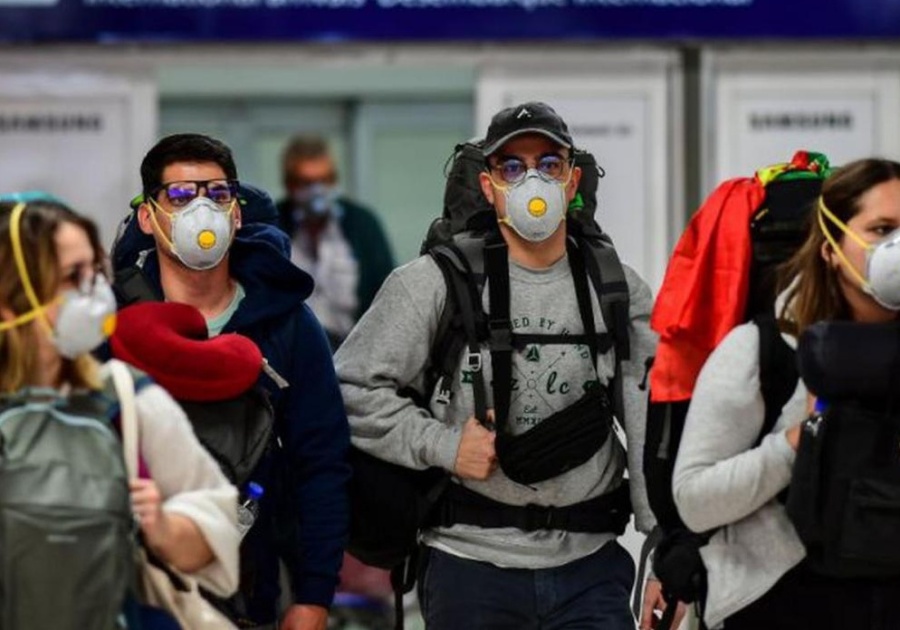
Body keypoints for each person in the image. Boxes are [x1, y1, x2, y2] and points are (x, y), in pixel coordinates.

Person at [335, 102, 671, 629]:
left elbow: (649, 414)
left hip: (591, 568)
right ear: (488, 185)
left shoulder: (616, 288)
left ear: (572, 180)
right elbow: (350, 389)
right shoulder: (431, 283)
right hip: (468, 566)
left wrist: (663, 545)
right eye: (512, 167)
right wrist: (443, 445)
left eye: (549, 164)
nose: (532, 180)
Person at [112, 133, 351, 630]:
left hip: (256, 587)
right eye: (181, 195)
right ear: (148, 217)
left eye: (218, 194)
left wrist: (314, 595)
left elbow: (322, 463)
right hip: (134, 586)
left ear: (237, 214)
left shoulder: (287, 324)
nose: (202, 209)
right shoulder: (117, 321)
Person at [672, 158, 900, 630]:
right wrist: (799, 441)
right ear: (831, 247)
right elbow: (694, 500)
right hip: (780, 600)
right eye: (882, 229)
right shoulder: (763, 351)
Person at [0, 197, 240, 621]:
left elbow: (214, 535)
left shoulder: (127, 401)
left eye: (95, 271)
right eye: (73, 277)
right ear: (11, 299)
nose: (95, 291)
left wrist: (163, 527)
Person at [277, 135, 395, 349]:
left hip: (354, 350)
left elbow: (387, 291)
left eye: (326, 180)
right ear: (290, 185)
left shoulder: (362, 224)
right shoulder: (273, 225)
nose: (318, 190)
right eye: (307, 183)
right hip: (289, 353)